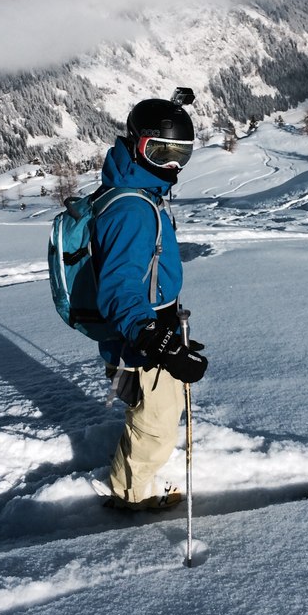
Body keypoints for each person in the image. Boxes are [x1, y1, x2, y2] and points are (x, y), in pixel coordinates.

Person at [91, 95, 208, 511]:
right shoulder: (131, 210)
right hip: (138, 337)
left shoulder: (138, 190)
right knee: (156, 423)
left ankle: (135, 476)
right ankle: (130, 495)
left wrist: (169, 333)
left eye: (182, 155)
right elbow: (120, 290)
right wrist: (159, 341)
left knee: (157, 409)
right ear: (137, 144)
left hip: (150, 327)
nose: (173, 166)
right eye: (162, 152)